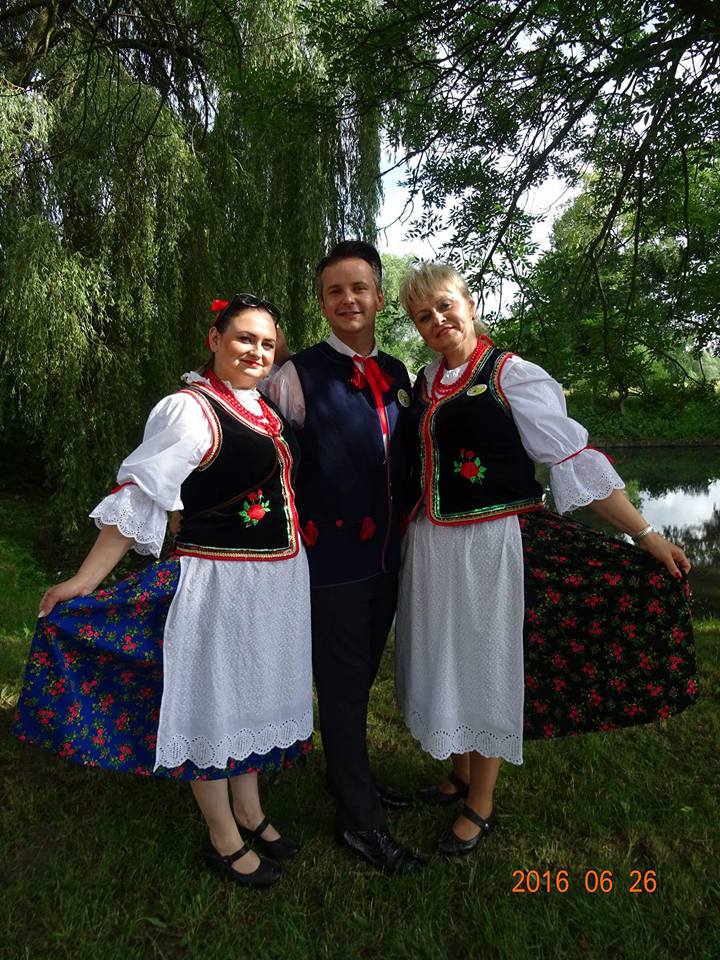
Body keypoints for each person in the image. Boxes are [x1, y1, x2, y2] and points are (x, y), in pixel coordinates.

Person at [395, 262, 698, 855]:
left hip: (489, 544)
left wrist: (645, 534)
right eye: (423, 315)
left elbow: (571, 458)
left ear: (470, 303)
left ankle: (481, 803)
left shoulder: (511, 375)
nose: (437, 320)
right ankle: (459, 771)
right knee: (444, 653)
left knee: (484, 662)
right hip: (432, 544)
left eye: (445, 305)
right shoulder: (426, 382)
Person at [13, 294, 313, 888]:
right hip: (218, 579)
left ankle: (249, 810)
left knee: (251, 695)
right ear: (215, 340)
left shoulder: (263, 408)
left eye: (266, 343)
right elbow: (143, 493)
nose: (256, 352)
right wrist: (85, 580)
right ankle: (223, 837)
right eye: (244, 338)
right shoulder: (189, 409)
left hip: (277, 579)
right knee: (214, 702)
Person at [263, 240, 424, 872]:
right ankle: (360, 821)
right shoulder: (295, 375)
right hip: (329, 562)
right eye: (335, 291)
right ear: (323, 304)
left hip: (388, 557)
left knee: (357, 681)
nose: (348, 299)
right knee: (341, 686)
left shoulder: (399, 372)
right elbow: (263, 457)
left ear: (379, 297)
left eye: (359, 288)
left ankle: (349, 778)